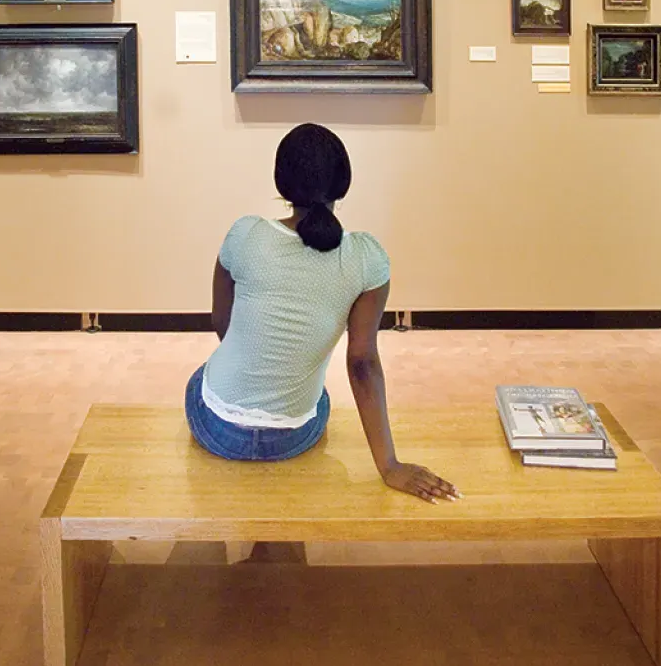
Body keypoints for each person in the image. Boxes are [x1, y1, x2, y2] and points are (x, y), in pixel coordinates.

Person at [184, 123, 460, 505]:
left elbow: (221, 323)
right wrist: (390, 466)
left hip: (216, 428)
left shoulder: (245, 234)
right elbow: (362, 363)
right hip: (293, 436)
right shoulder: (367, 259)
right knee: (318, 393)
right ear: (343, 183)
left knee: (203, 375)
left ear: (281, 183)